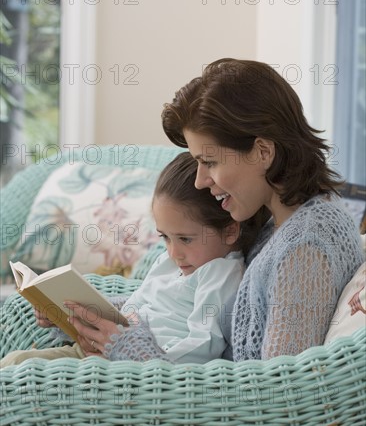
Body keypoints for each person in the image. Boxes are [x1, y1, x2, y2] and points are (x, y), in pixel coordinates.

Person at [161, 58, 364, 361]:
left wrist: (134, 351)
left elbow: (279, 395)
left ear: (263, 152)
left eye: (210, 162)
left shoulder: (305, 247)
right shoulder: (280, 224)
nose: (201, 181)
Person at [1, 152, 268, 368]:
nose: (174, 252)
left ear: (230, 230)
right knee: (14, 364)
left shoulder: (221, 274)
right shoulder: (170, 262)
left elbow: (201, 350)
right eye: (165, 237)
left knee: (20, 373)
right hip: (103, 355)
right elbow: (135, 308)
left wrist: (128, 350)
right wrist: (72, 314)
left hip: (133, 374)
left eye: (185, 239)